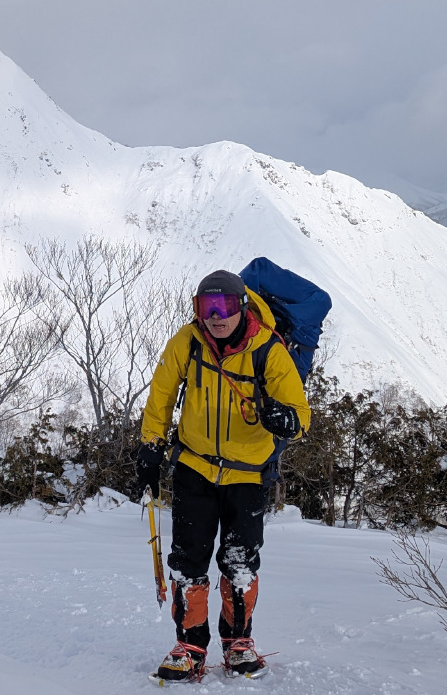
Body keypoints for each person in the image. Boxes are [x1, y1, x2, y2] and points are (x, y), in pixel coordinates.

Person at [136, 270, 309, 681]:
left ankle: (237, 644)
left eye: (225, 307)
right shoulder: (187, 341)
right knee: (188, 559)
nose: (216, 316)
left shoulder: (268, 350)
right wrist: (150, 447)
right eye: (206, 307)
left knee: (240, 561)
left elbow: (300, 415)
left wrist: (285, 418)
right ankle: (190, 645)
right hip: (194, 468)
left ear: (242, 307)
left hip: (247, 474)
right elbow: (160, 395)